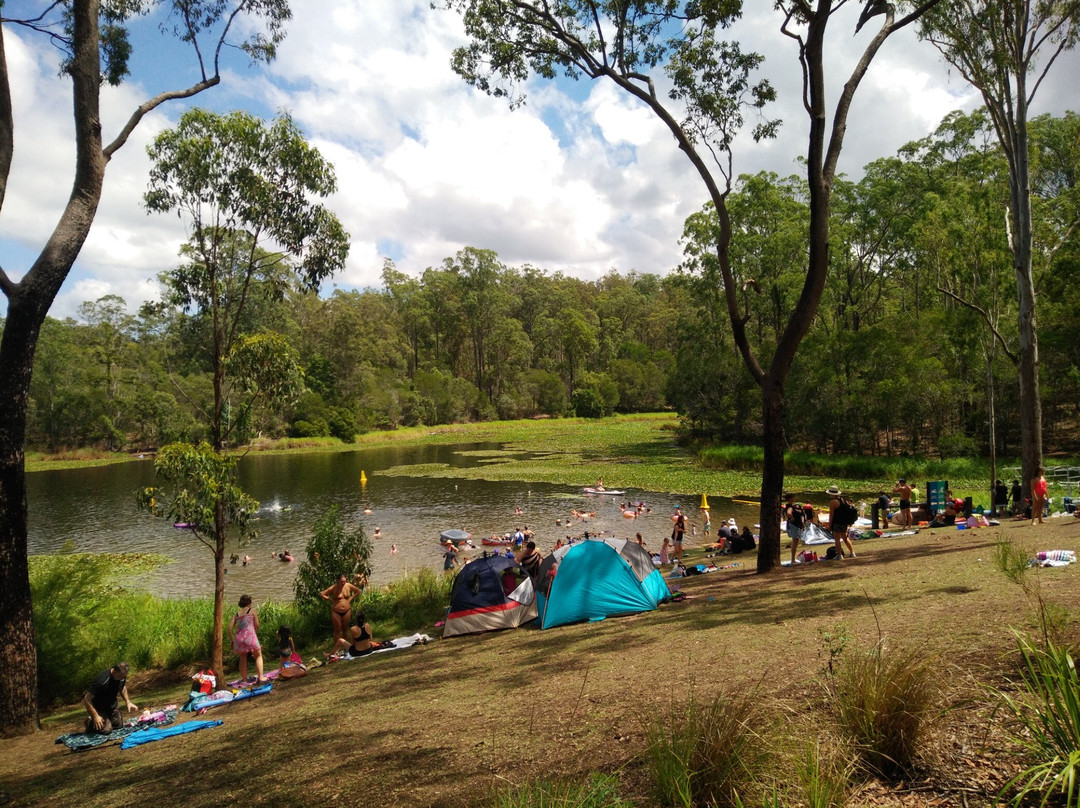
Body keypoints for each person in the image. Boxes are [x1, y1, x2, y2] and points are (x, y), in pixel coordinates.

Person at [83, 662, 137, 733]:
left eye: (124, 676)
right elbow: (86, 699)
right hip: (98, 708)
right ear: (115, 671)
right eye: (121, 676)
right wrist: (95, 716)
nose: (123, 678)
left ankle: (106, 719)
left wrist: (128, 702)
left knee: (118, 725)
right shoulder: (101, 681)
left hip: (111, 706)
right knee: (107, 730)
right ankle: (90, 721)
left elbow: (122, 687)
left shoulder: (122, 676)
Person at [230, 594, 266, 683]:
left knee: (242, 658)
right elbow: (257, 624)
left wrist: (232, 640)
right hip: (250, 636)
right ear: (249, 602)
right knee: (258, 655)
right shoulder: (252, 611)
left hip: (239, 639)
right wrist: (254, 633)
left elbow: (229, 628)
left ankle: (244, 679)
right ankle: (261, 677)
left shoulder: (236, 614)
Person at [320, 574, 360, 654]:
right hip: (336, 611)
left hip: (346, 610)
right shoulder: (334, 587)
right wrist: (330, 599)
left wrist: (350, 599)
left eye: (344, 581)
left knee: (345, 629)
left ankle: (346, 648)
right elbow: (322, 594)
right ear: (338, 581)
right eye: (341, 581)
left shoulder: (348, 585)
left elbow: (357, 591)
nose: (343, 583)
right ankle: (336, 650)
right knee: (337, 630)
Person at [826, 486, 856, 559]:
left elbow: (831, 515)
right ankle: (852, 552)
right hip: (844, 522)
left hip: (837, 522)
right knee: (845, 537)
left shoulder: (832, 502)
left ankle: (839, 555)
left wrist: (830, 524)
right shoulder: (844, 500)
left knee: (837, 539)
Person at [784, 492, 805, 565]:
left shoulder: (793, 506)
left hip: (797, 525)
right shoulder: (789, 506)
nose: (794, 498)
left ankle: (793, 559)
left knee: (796, 541)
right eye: (793, 497)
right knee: (795, 542)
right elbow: (789, 513)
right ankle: (793, 560)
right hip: (794, 525)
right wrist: (792, 517)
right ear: (790, 499)